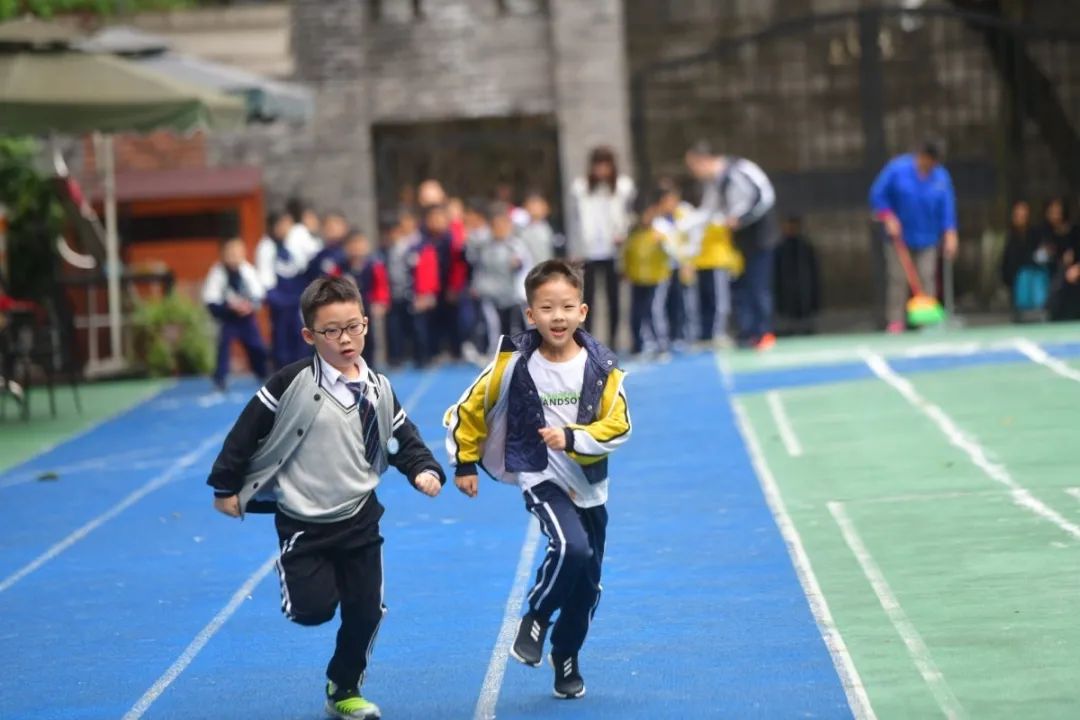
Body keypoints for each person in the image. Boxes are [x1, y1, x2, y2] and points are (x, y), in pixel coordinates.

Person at [207, 275, 445, 720]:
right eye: (332, 331)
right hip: (304, 521)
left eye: (353, 327)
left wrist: (424, 471)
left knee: (367, 611)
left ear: (366, 325)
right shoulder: (291, 383)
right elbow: (246, 431)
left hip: (359, 517)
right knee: (313, 611)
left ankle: (344, 685)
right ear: (309, 336)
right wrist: (226, 487)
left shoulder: (378, 389)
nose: (345, 339)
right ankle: (299, 575)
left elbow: (401, 438)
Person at [445, 259, 632, 701]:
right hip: (539, 473)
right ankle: (535, 616)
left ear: (583, 312)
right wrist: (465, 462)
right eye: (547, 308)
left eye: (567, 307)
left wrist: (573, 437)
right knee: (570, 546)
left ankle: (566, 656)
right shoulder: (514, 365)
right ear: (531, 315)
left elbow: (620, 426)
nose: (558, 317)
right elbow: (468, 410)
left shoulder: (603, 368)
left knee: (587, 584)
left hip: (588, 483)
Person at [684, 141, 779, 350]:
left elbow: (762, 197)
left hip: (759, 235)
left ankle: (763, 332)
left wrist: (740, 218)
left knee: (758, 285)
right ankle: (748, 331)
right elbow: (708, 210)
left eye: (694, 166)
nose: (694, 172)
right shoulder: (714, 182)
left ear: (704, 160)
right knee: (741, 286)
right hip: (737, 239)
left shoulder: (738, 171)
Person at [869, 140, 958, 334]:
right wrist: (887, 216)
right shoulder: (897, 169)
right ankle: (896, 322)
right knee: (898, 278)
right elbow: (877, 194)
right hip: (899, 238)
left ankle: (925, 322)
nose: (931, 165)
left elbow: (947, 207)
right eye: (928, 160)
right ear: (921, 155)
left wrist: (950, 232)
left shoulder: (941, 177)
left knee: (927, 276)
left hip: (928, 237)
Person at [567, 146, 636, 348]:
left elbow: (629, 216)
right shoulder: (580, 188)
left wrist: (622, 233)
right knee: (588, 299)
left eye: (606, 165)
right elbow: (575, 222)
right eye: (598, 165)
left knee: (614, 298)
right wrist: (574, 249)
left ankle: (614, 341)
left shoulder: (623, 187)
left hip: (613, 250)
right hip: (588, 251)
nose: (602, 170)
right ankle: (588, 341)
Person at [203, 237, 268, 390]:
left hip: (246, 318)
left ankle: (262, 373)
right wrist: (228, 308)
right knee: (223, 346)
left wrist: (249, 306)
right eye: (230, 253)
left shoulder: (248, 270)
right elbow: (211, 299)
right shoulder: (217, 273)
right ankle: (220, 378)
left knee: (256, 346)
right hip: (228, 318)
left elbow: (259, 294)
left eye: (237, 253)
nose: (233, 257)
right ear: (223, 255)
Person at [257, 211, 319, 369]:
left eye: (289, 225)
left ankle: (304, 369)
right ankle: (283, 370)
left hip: (298, 296)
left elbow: (308, 263)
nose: (286, 229)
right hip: (281, 299)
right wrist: (276, 299)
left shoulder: (295, 241)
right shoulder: (266, 247)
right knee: (281, 337)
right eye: (283, 225)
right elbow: (266, 278)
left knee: (302, 334)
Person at [467, 202, 527, 354]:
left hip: (508, 295)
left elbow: (523, 264)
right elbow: (472, 258)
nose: (500, 229)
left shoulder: (514, 245)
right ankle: (491, 353)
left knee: (509, 325)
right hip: (489, 294)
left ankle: (509, 351)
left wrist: (517, 263)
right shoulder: (483, 244)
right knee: (492, 325)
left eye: (504, 225)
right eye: (496, 225)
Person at [624, 188, 673, 357]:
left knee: (654, 310)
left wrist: (664, 242)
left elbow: (674, 250)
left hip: (657, 277)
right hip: (637, 277)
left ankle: (662, 345)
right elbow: (627, 252)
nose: (645, 217)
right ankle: (638, 344)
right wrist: (626, 270)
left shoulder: (661, 228)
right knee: (636, 312)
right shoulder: (632, 231)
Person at [339, 230, 390, 366]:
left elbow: (381, 285)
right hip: (346, 309)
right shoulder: (341, 267)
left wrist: (381, 302)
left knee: (370, 338)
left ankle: (371, 365)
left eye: (359, 244)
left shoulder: (373, 265)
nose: (356, 248)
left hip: (367, 306)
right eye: (352, 245)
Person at [1000, 200, 1052, 317]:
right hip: (1017, 284)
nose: (1020, 217)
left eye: (1023, 214)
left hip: (1036, 281)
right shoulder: (1011, 238)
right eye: (1017, 214)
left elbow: (1043, 256)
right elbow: (1007, 265)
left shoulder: (1036, 234)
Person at [1045, 197, 1080, 321]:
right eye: (1053, 212)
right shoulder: (1046, 232)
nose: (1056, 215)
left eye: (1058, 211)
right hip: (1055, 273)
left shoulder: (1074, 231)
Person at [518, 190, 556, 272]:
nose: (534, 208)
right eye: (531, 205)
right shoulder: (521, 230)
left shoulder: (550, 228)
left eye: (537, 205)